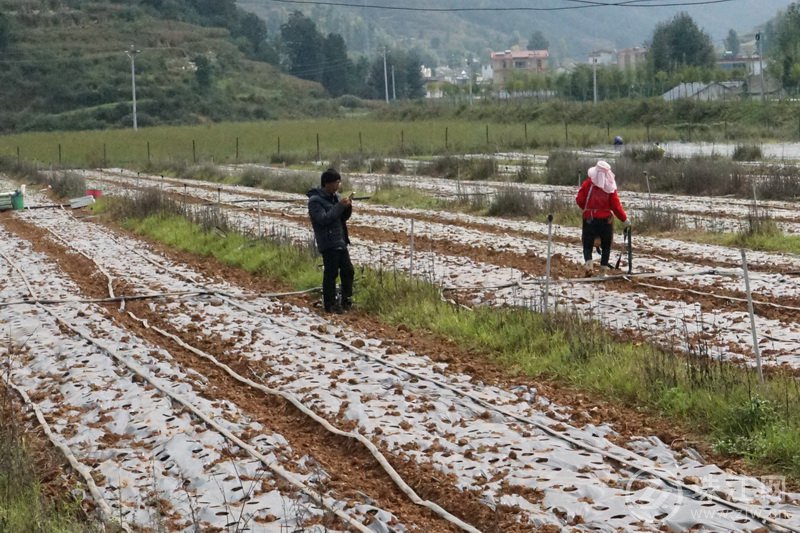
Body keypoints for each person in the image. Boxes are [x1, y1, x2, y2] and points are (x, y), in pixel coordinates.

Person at [307, 168, 354, 313]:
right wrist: (340, 206)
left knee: (348, 270)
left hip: (340, 240)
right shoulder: (315, 201)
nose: (338, 185)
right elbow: (324, 219)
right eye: (336, 182)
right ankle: (330, 304)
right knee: (331, 272)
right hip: (328, 241)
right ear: (326, 183)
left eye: (339, 182)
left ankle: (346, 300)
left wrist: (347, 207)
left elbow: (341, 218)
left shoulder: (336, 197)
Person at [575, 160, 629, 277]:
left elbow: (579, 200)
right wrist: (624, 219)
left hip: (590, 218)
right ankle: (603, 271)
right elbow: (615, 206)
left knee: (587, 244)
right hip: (606, 220)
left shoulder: (588, 184)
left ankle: (589, 265)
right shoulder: (610, 187)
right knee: (606, 245)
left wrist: (587, 208)